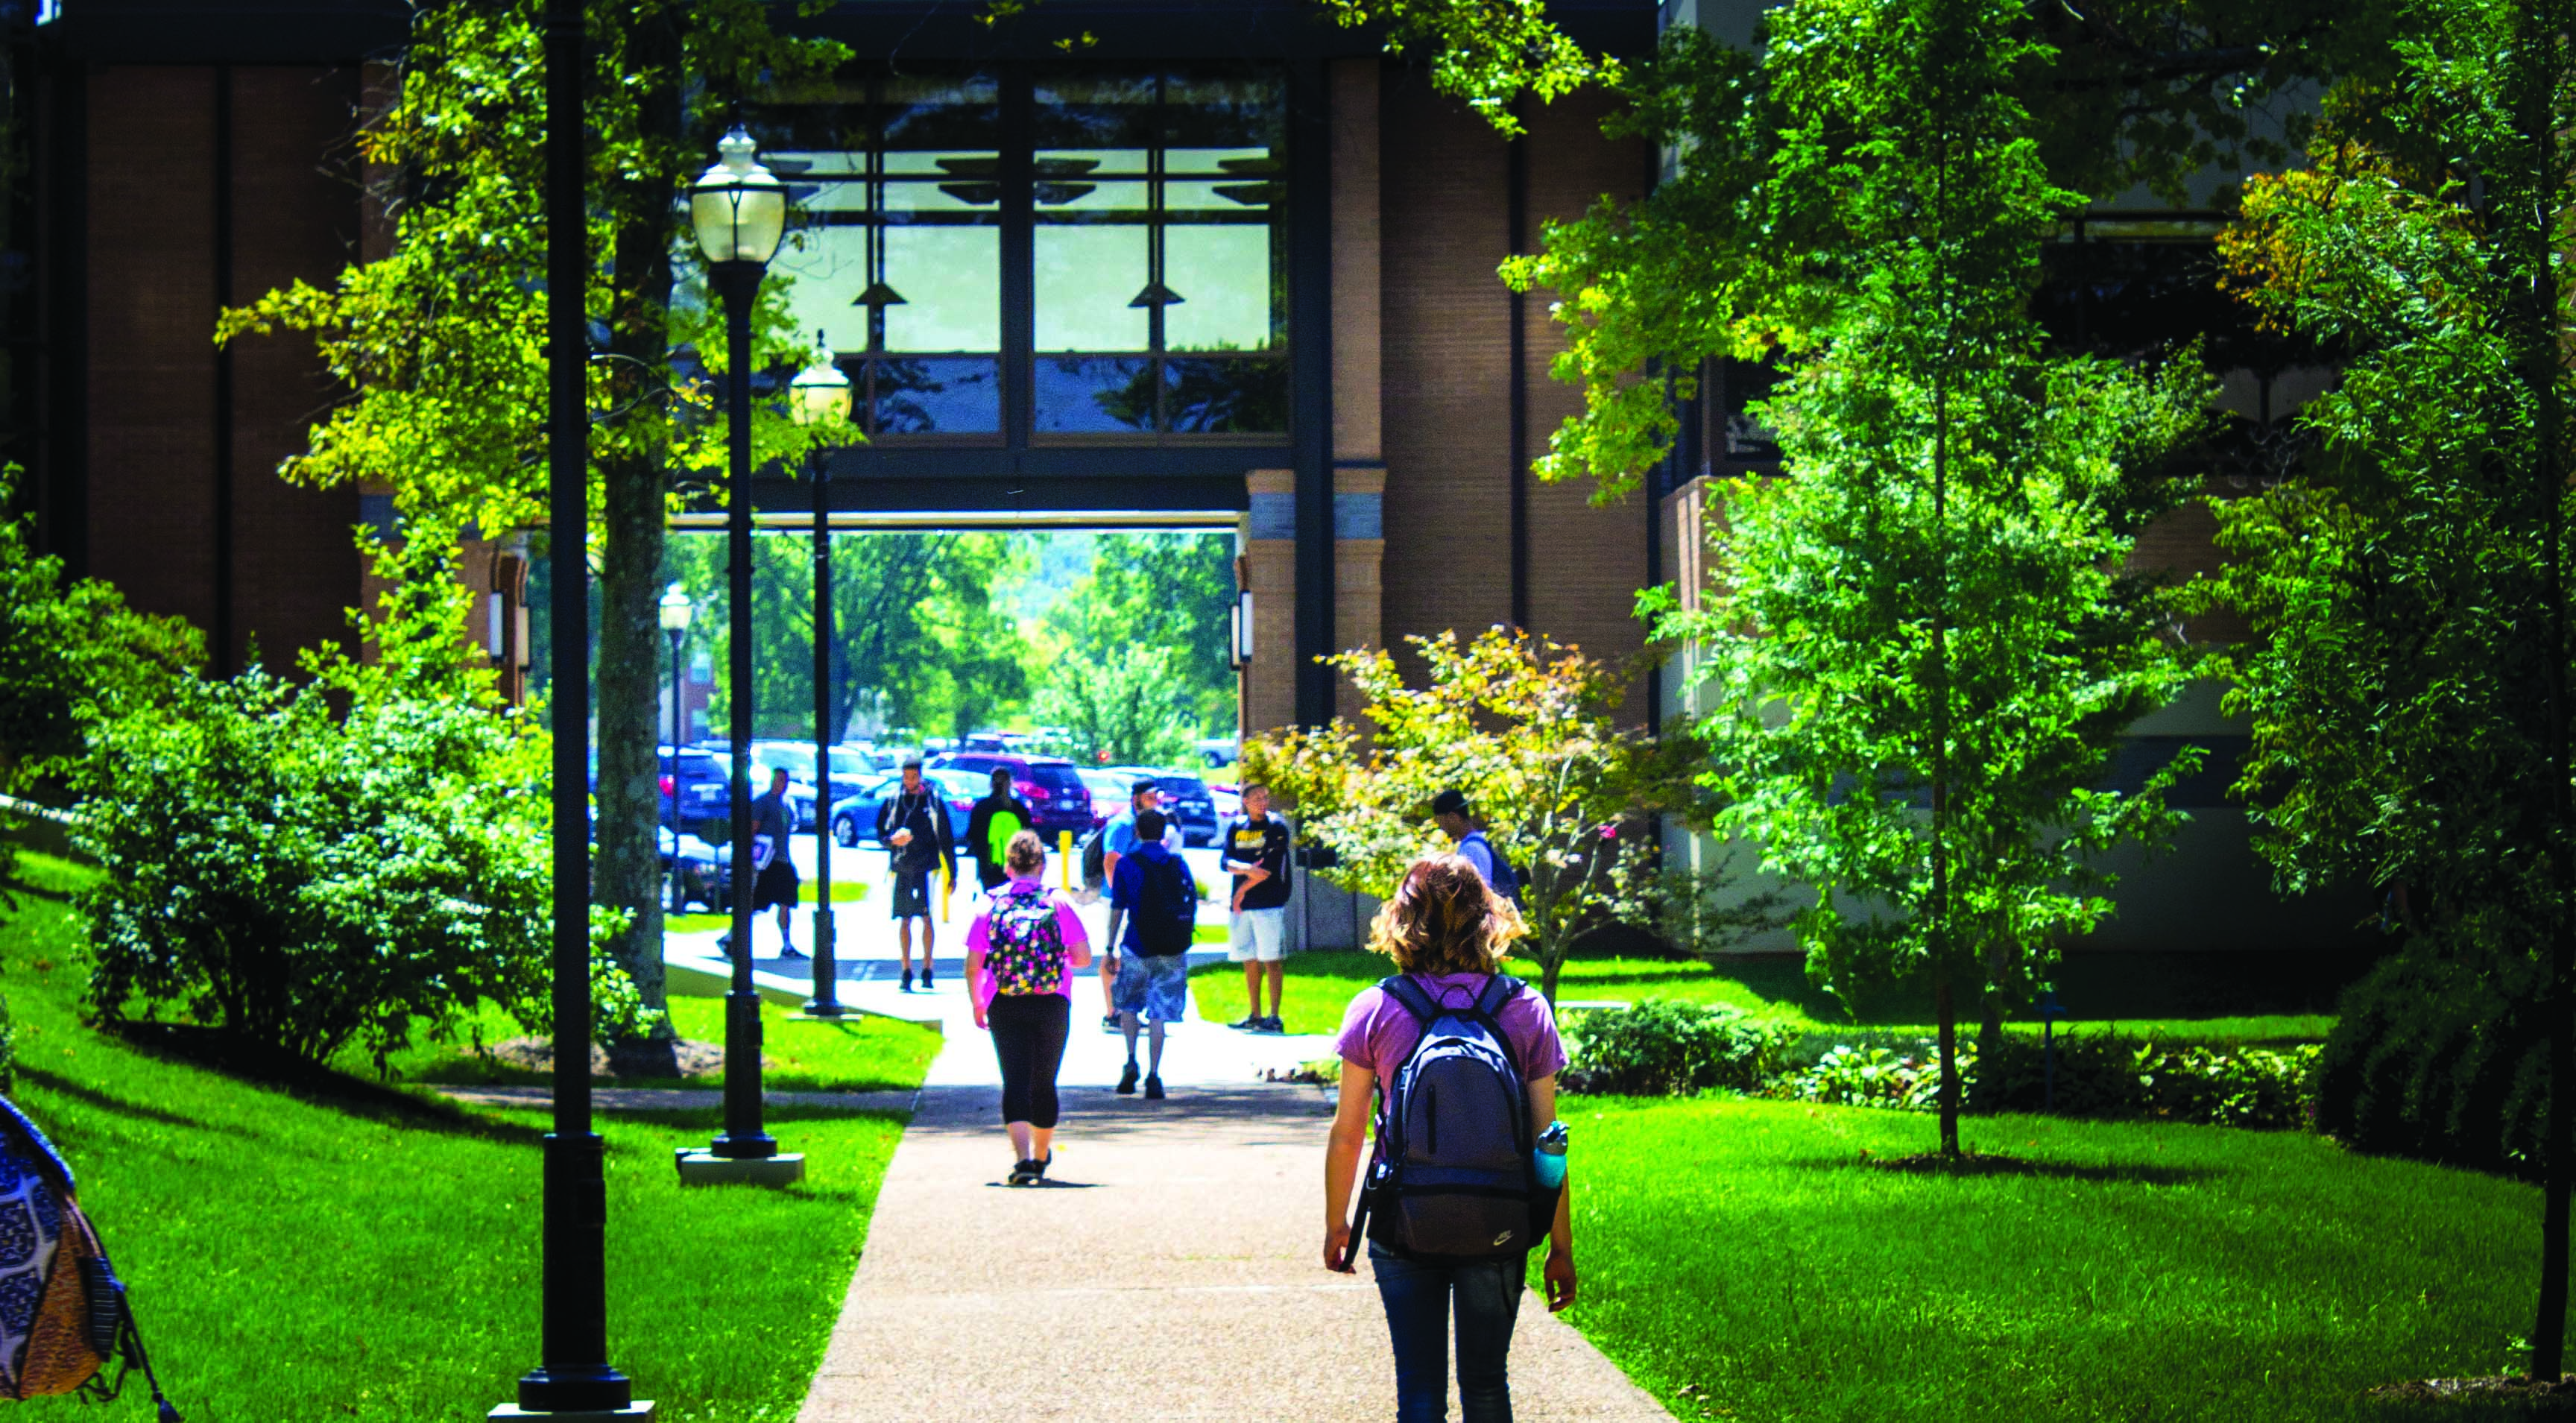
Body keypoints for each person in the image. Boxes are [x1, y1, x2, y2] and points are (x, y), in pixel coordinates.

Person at [1323, 854, 1576, 1423]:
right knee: (1487, 1385)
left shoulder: (1377, 1006)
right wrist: (1560, 1246)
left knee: (1418, 1388)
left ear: (1402, 920)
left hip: (1403, 1217)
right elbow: (1548, 1142)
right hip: (1500, 1217)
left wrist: (1339, 1221)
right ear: (1487, 918)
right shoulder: (1525, 1007)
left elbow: (1347, 1135)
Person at [967, 830, 1092, 1185]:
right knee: (1044, 1082)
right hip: (1052, 1002)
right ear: (1042, 865)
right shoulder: (1059, 903)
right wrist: (1054, 960)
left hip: (1003, 1001)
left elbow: (974, 963)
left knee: (1014, 1080)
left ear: (1008, 866)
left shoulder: (989, 903)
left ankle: (1021, 1159)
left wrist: (977, 1001)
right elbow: (1083, 958)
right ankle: (1040, 1156)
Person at [1103, 809, 1196, 1099]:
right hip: (1171, 947)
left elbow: (1118, 907)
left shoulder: (1127, 865)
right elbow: (1191, 902)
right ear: (1163, 831)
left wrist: (1109, 947)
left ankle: (1131, 1061)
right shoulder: (1178, 863)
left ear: (1138, 832)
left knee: (1129, 1006)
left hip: (1137, 945)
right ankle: (1155, 1074)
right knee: (1160, 1012)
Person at [1094, 778, 1178, 1031]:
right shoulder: (1123, 825)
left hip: (1136, 902)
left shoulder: (1146, 825)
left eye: (1157, 796)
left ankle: (1123, 1012)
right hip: (1117, 902)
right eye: (1150, 797)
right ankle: (1113, 1014)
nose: (1156, 801)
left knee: (1130, 957)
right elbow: (1111, 861)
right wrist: (1125, 897)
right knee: (1116, 955)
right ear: (1136, 798)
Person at [877, 759, 958, 992]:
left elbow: (946, 838)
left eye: (914, 777)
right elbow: (881, 832)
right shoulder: (894, 801)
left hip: (926, 867)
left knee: (926, 917)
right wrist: (891, 841)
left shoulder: (932, 802)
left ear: (920, 777)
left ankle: (928, 968)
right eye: (906, 776)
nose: (910, 781)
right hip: (901, 866)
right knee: (904, 919)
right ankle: (905, 969)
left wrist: (953, 872)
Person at [1220, 783, 1292, 1032]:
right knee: (1248, 959)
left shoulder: (1276, 827)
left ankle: (1274, 1016)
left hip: (1268, 903)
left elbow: (1268, 869)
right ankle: (1255, 1014)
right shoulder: (1236, 827)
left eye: (1266, 797)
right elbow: (1225, 861)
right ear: (1246, 802)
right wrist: (1247, 869)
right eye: (1257, 798)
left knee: (1271, 959)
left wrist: (1240, 889)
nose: (1263, 802)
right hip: (1242, 908)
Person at [751, 766, 803, 958]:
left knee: (786, 899)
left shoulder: (784, 806)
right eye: (780, 780)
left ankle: (787, 944)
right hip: (767, 862)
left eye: (785, 781)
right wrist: (752, 861)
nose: (783, 784)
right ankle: (732, 936)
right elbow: (752, 831)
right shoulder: (762, 804)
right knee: (755, 903)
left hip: (782, 859)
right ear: (772, 780)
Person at [1430, 789, 1518, 903]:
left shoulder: (1471, 849)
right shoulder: (1477, 843)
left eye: (1441, 821)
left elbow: (1478, 896)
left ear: (1453, 817)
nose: (1441, 827)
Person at [965, 766, 1036, 893]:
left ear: (991, 784)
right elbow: (1030, 836)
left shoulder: (982, 807)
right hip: (1016, 865)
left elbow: (972, 835)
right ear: (1010, 784)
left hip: (989, 866)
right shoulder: (1018, 808)